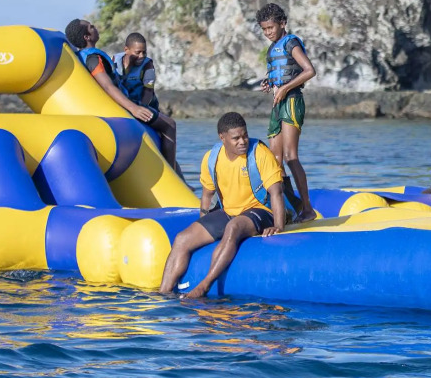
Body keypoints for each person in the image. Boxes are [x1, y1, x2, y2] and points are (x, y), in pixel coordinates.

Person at [159, 112, 288, 299]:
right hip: (228, 211)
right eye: (236, 138)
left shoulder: (259, 153)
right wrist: (204, 225)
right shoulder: (212, 158)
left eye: (244, 135)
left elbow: (277, 192)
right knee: (182, 239)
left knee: (233, 227)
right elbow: (207, 195)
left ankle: (204, 286)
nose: (242, 141)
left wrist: (278, 227)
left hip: (260, 210)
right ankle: (163, 293)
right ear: (223, 138)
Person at [65, 20, 185, 182]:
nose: (96, 27)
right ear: (87, 36)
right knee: (170, 125)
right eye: (91, 27)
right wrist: (134, 108)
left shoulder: (85, 55)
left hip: (123, 104)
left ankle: (180, 180)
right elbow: (107, 86)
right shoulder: (93, 58)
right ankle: (173, 179)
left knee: (161, 137)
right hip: (123, 106)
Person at [257, 3, 315, 222]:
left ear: (282, 24)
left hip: (291, 101)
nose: (268, 33)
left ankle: (308, 209)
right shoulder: (273, 48)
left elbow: (309, 71)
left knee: (291, 156)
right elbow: (280, 73)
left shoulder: (291, 42)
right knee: (274, 160)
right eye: (264, 29)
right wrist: (269, 83)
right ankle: (290, 207)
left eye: (271, 28)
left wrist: (284, 88)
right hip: (277, 103)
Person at [120, 31, 179, 172]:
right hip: (125, 105)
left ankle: (172, 172)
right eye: (137, 52)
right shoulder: (113, 62)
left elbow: (148, 91)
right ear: (126, 50)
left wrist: (142, 110)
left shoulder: (148, 65)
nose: (141, 56)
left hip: (144, 105)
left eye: (144, 52)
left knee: (170, 124)